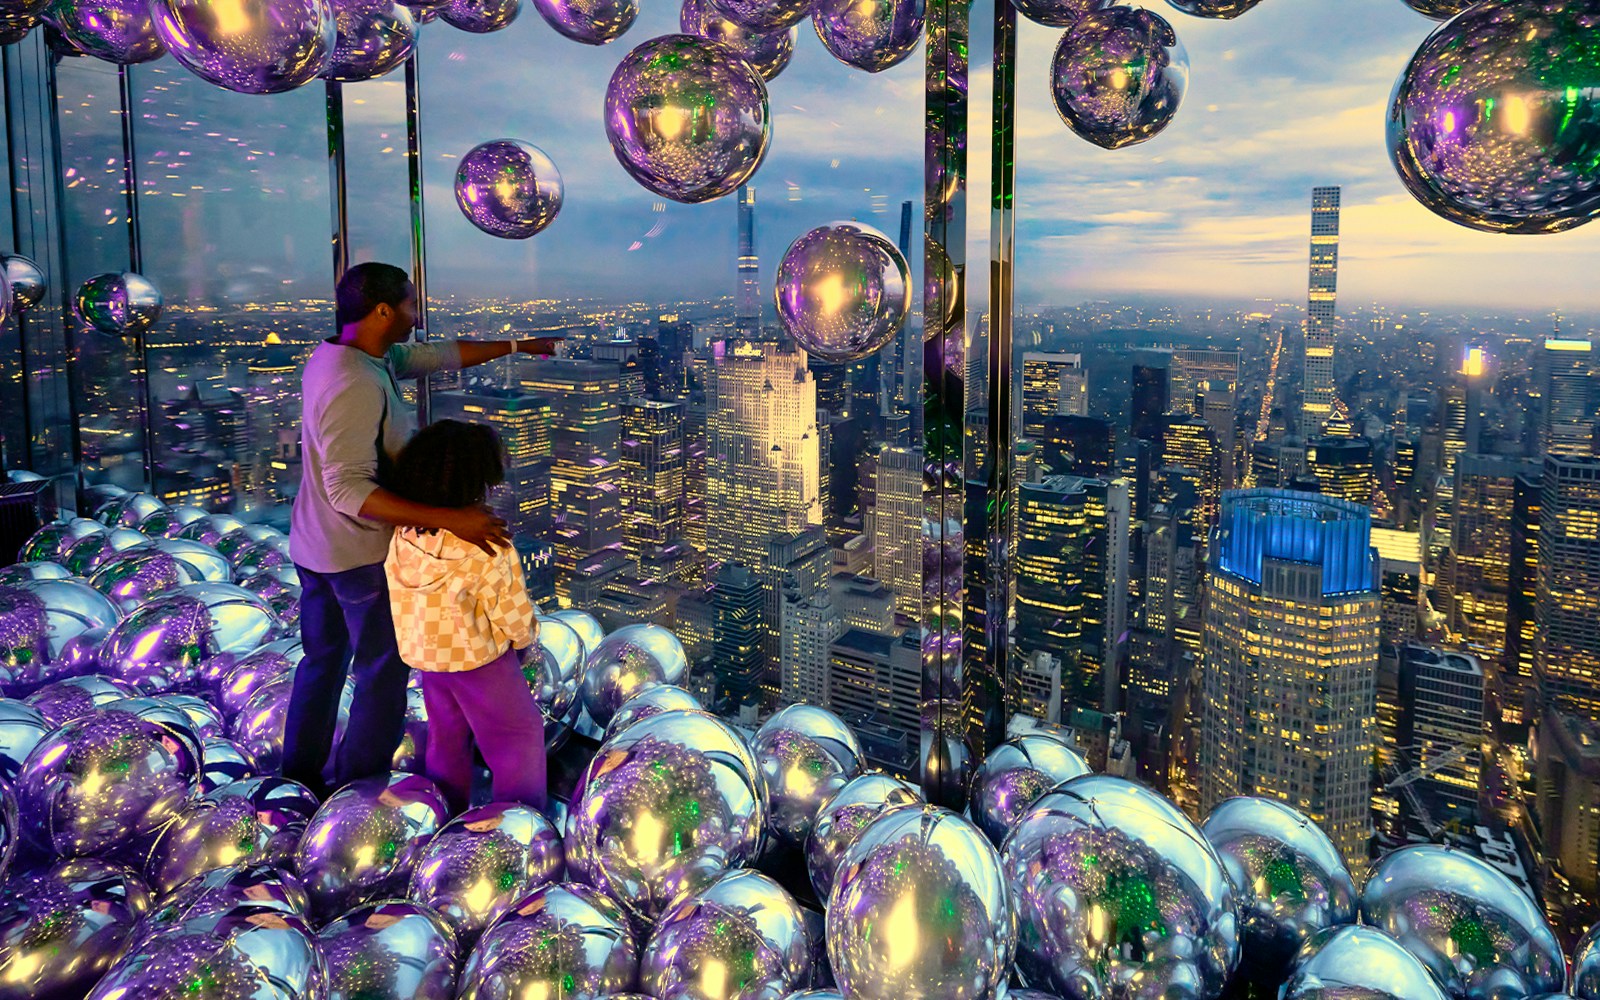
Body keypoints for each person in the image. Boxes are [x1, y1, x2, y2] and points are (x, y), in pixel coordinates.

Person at [285, 261, 559, 796]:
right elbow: (348, 490)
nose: (417, 315)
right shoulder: (353, 383)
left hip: (314, 544)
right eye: (411, 305)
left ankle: (298, 778)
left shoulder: (348, 357)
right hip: (355, 556)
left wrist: (517, 346)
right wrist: (455, 518)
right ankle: (354, 798)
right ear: (384, 309)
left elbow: (437, 356)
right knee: (381, 678)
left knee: (320, 665)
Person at [384, 419, 546, 812]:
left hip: (432, 661)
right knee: (518, 737)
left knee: (447, 737)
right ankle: (520, 830)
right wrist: (526, 641)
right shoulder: (486, 544)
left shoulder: (406, 532)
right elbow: (513, 616)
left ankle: (446, 816)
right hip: (481, 663)